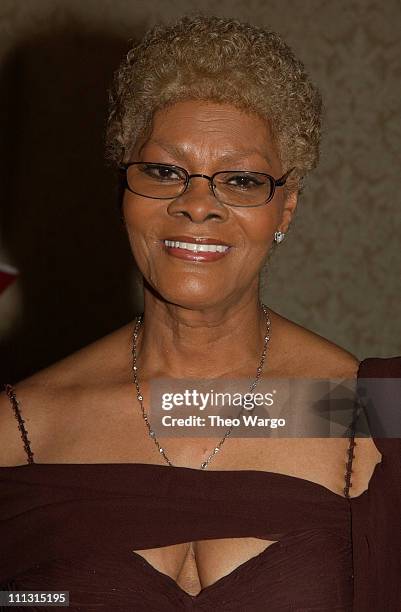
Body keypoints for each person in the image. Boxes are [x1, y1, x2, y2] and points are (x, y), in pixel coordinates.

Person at [0, 14, 400, 612]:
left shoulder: (369, 411)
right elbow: (28, 599)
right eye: (164, 172)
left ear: (284, 208)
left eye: (240, 180)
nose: (196, 205)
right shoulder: (22, 428)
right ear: (123, 188)